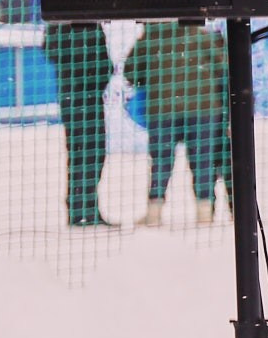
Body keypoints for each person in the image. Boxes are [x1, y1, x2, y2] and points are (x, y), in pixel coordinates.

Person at [126, 19, 231, 226]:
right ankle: (204, 209)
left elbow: (131, 72)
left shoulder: (150, 38)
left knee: (161, 161)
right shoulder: (200, 35)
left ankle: (154, 211)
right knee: (203, 159)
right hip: (204, 107)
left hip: (162, 108)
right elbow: (222, 67)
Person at [47, 20, 116, 227]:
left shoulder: (84, 24)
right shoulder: (62, 24)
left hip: (85, 95)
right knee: (83, 152)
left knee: (92, 152)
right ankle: (80, 208)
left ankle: (86, 207)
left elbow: (103, 61)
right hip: (78, 95)